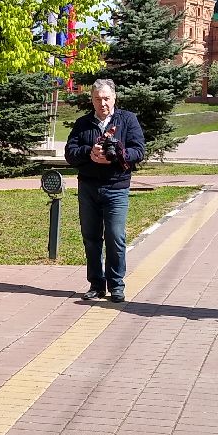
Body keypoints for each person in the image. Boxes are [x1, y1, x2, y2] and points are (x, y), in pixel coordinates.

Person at [64, 79, 146, 303]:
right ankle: (96, 284)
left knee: (115, 237)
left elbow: (139, 150)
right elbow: (70, 153)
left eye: (107, 99)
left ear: (114, 98)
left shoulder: (127, 120)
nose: (103, 104)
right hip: (89, 187)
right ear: (92, 100)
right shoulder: (83, 123)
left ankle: (117, 285)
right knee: (91, 238)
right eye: (98, 99)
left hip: (116, 188)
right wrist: (89, 152)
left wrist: (117, 155)